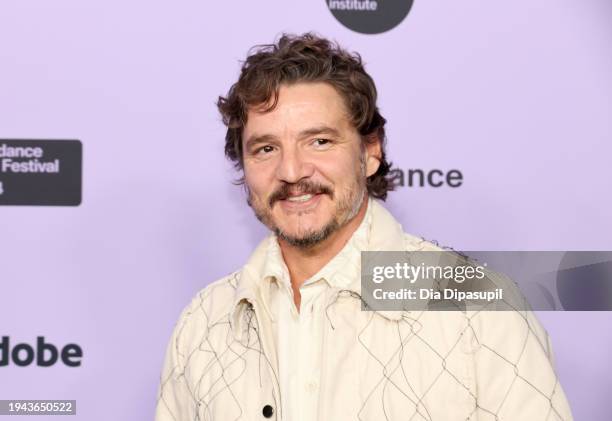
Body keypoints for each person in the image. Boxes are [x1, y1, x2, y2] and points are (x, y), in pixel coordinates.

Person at [155, 33, 573, 421]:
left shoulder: (476, 306)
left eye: (318, 141)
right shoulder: (204, 322)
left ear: (370, 152)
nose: (292, 171)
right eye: (266, 149)